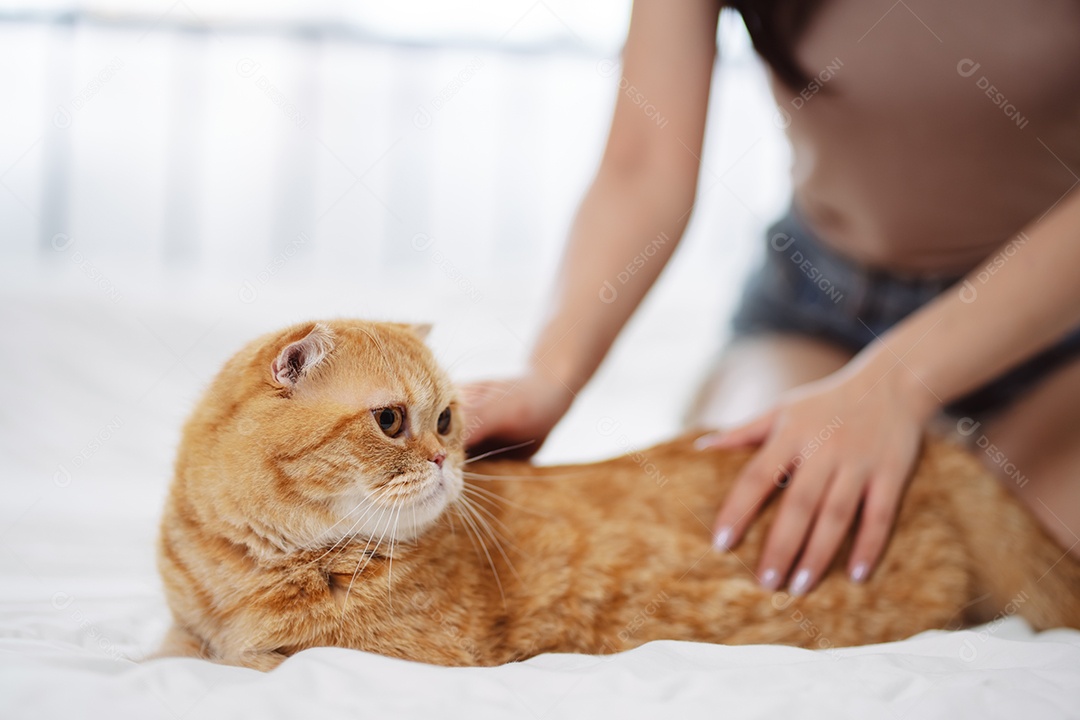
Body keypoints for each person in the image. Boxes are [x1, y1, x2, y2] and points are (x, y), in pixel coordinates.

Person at [462, 0, 1080, 597]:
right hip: (820, 309)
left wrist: (895, 383)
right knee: (752, 534)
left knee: (1033, 562)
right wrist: (549, 375)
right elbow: (644, 166)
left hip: (1057, 326)